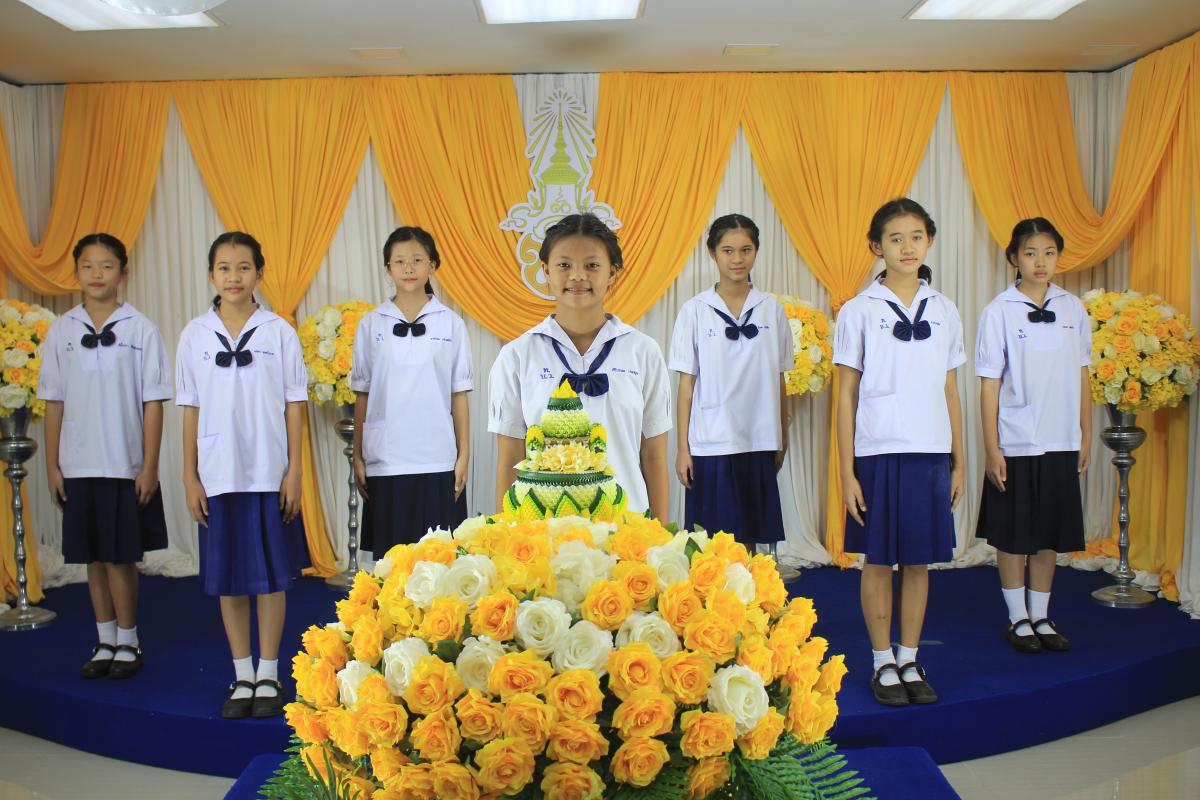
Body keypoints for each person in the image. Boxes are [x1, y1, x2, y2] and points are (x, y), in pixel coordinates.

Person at [833, 198, 966, 707]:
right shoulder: (859, 310)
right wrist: (846, 471)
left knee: (918, 562)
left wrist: (959, 460)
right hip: (878, 450)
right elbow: (845, 393)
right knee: (878, 560)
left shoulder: (945, 310)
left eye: (916, 237)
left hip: (930, 451)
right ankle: (881, 660)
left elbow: (950, 390)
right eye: (895, 238)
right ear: (877, 246)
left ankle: (910, 657)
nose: (907, 247)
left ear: (929, 241)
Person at [176, 231, 309, 719]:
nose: (234, 277)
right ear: (212, 275)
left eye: (244, 267)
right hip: (217, 473)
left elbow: (295, 405)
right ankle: (242, 673)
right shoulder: (194, 334)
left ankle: (269, 672)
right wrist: (189, 475)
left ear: (259, 273)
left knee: (271, 578)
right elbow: (189, 408)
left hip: (267, 471)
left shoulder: (278, 332)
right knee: (229, 579)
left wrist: (294, 471)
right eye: (224, 268)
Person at [37, 233, 171, 680]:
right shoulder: (63, 330)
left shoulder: (140, 328)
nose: (97, 274)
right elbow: (53, 401)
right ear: (77, 271)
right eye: (88, 266)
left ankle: (129, 640)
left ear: (123, 272)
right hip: (78, 463)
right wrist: (53, 465)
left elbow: (154, 402)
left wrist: (149, 466)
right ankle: (105, 638)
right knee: (92, 556)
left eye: (107, 266)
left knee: (121, 556)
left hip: (123, 463)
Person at [489, 213, 671, 520]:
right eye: (564, 265)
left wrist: (662, 534)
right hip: (545, 530)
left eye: (592, 265)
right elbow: (510, 460)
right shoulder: (517, 356)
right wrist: (507, 534)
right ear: (545, 271)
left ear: (612, 272)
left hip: (628, 527)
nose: (577, 276)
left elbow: (653, 457)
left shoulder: (643, 352)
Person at [976, 217, 1091, 654]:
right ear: (1014, 258)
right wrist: (992, 448)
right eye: (1030, 253)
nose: (1040, 262)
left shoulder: (1073, 308)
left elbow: (1082, 375)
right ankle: (1017, 617)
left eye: (1048, 253)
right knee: (1014, 533)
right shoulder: (998, 311)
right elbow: (989, 384)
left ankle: (1041, 615)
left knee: (1049, 533)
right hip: (1017, 439)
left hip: (1061, 438)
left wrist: (1084, 432)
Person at [669, 213, 792, 549]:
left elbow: (779, 378)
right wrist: (683, 450)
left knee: (751, 539)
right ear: (713, 253)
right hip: (712, 440)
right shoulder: (694, 310)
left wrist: (782, 437)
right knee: (710, 542)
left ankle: (750, 586)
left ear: (756, 251)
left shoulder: (771, 309)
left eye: (745, 250)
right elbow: (685, 387)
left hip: (759, 437)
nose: (737, 259)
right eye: (728, 250)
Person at [351, 226, 472, 551]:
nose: (408, 268)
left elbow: (459, 394)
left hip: (437, 457)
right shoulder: (371, 324)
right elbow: (362, 394)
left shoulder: (451, 323)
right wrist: (358, 455)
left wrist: (463, 455)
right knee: (391, 561)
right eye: (400, 261)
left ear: (432, 264)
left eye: (417, 260)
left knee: (439, 558)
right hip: (386, 456)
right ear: (388, 268)